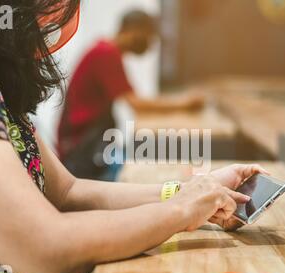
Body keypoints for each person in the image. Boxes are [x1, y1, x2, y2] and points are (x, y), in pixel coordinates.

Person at [0, 1, 269, 273]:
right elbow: (46, 249)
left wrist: (191, 191)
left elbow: (67, 190)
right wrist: (180, 212)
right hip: (87, 151)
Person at [58, 10, 204, 180]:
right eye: (148, 36)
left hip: (88, 142)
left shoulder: (107, 51)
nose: (149, 44)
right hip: (81, 147)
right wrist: (184, 103)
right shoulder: (106, 53)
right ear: (133, 30)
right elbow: (136, 104)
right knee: (134, 172)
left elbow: (135, 98)